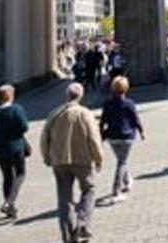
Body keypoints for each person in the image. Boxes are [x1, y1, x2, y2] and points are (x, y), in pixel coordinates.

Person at [41, 82, 103, 243]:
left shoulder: (54, 114)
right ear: (81, 96)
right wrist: (98, 158)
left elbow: (44, 139)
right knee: (89, 189)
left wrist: (47, 157)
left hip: (59, 161)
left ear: (67, 95)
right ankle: (82, 223)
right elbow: (94, 139)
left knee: (64, 199)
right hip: (82, 159)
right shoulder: (85, 113)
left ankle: (68, 236)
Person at [98, 76, 145, 204]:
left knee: (121, 159)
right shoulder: (129, 103)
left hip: (112, 137)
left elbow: (103, 121)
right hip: (126, 137)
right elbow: (135, 119)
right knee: (122, 162)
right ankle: (116, 191)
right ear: (126, 88)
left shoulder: (107, 103)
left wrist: (100, 135)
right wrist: (142, 132)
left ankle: (127, 181)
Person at [0, 84, 30, 219]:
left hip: (0, 151)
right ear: (10, 96)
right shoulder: (17, 110)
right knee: (21, 173)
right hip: (16, 148)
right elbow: (24, 127)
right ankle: (9, 202)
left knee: (7, 177)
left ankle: (10, 209)